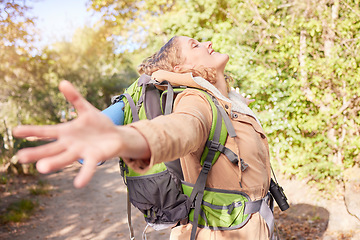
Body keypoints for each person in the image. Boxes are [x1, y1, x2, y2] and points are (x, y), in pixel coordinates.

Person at [13, 36, 271, 239]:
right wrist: (126, 139)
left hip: (254, 225)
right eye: (195, 45)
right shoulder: (196, 101)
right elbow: (180, 129)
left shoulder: (228, 102)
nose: (208, 44)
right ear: (180, 68)